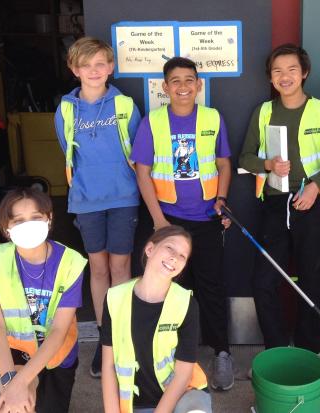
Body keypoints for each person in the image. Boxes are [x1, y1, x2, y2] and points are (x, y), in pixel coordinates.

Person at [131, 57, 234, 390]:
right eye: (175, 81)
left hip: (206, 220)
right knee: (172, 291)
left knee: (212, 287)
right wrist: (159, 221)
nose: (183, 87)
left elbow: (223, 164)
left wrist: (221, 201)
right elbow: (142, 172)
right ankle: (172, 358)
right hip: (169, 222)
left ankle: (221, 353)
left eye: (189, 80)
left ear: (198, 85)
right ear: (165, 87)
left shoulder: (212, 118)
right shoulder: (153, 122)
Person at [239, 44, 320, 354]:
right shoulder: (264, 111)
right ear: (270, 77)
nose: (285, 76)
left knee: (311, 280)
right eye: (277, 71)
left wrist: (315, 186)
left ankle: (309, 352)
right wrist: (267, 165)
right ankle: (277, 350)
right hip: (273, 205)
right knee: (264, 281)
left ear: (304, 73)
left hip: (311, 203)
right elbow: (244, 158)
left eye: (292, 70)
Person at [54, 36, 141, 377]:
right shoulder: (65, 109)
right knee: (98, 268)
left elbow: (137, 152)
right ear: (74, 69)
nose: (94, 71)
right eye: (86, 65)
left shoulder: (125, 105)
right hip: (87, 201)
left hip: (123, 198)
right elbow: (69, 153)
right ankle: (106, 340)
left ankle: (123, 337)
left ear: (111, 67)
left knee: (121, 268)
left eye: (100, 64)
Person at [0, 188, 87, 413]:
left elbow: (58, 330)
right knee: (15, 406)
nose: (28, 225)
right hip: (16, 350)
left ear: (49, 218)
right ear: (6, 228)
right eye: (19, 220)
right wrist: (10, 381)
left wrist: (21, 383)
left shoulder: (71, 262)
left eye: (36, 218)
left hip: (57, 354)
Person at [101, 225, 212, 413]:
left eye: (182, 256)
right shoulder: (114, 298)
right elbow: (108, 366)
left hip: (182, 395)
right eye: (170, 248)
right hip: (135, 403)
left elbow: (183, 374)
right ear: (150, 249)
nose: (175, 258)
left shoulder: (186, 303)